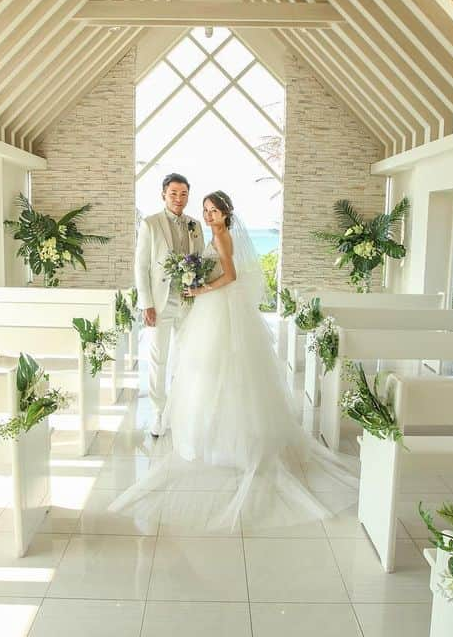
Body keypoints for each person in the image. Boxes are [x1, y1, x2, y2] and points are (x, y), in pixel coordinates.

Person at [111, 190, 358, 531]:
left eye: (214, 210)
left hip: (218, 308)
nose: (209, 215)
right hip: (203, 308)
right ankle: (200, 429)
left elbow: (230, 277)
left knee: (225, 369)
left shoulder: (221, 236)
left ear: (226, 213)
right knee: (203, 371)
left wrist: (199, 289)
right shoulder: (200, 232)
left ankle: (227, 438)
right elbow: (150, 264)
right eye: (206, 210)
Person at [134, 173, 205, 437]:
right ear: (163, 194)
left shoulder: (195, 225)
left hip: (188, 301)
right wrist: (146, 304)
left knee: (184, 359)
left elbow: (201, 259)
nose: (179, 198)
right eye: (173, 193)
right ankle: (157, 413)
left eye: (183, 193)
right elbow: (141, 266)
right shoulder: (150, 224)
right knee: (158, 359)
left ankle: (179, 410)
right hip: (160, 303)